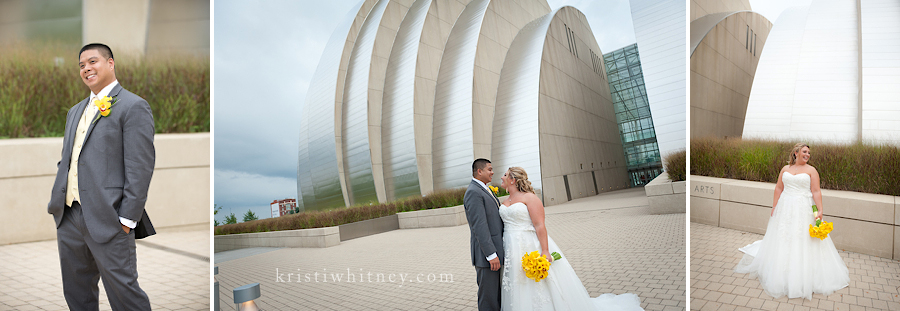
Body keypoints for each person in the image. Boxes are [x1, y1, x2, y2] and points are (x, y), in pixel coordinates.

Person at [47, 43, 156, 310]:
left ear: (110, 63)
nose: (86, 68)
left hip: (110, 218)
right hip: (69, 216)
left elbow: (140, 168)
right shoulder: (75, 111)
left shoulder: (133, 106)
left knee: (124, 294)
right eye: (81, 65)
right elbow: (69, 158)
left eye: (92, 62)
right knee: (77, 293)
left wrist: (127, 219)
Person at [497, 166, 644, 310]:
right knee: (517, 280)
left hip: (529, 245)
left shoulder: (529, 197)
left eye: (505, 175)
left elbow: (539, 225)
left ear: (513, 180)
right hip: (510, 248)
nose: (502, 177)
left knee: (537, 281)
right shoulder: (505, 201)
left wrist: (545, 250)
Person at [734, 143, 849, 300]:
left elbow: (816, 191)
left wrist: (820, 210)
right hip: (785, 207)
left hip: (803, 208)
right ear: (796, 153)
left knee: (802, 238)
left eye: (809, 152)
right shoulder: (785, 169)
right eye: (804, 151)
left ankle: (803, 274)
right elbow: (778, 188)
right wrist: (774, 206)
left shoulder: (811, 170)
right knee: (784, 236)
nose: (807, 154)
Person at [464, 158, 505, 310]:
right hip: (486, 257)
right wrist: (491, 254)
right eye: (489, 169)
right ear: (479, 171)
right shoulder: (473, 192)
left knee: (496, 296)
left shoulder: (485, 189)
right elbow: (479, 226)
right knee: (488, 298)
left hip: (495, 252)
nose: (492, 172)